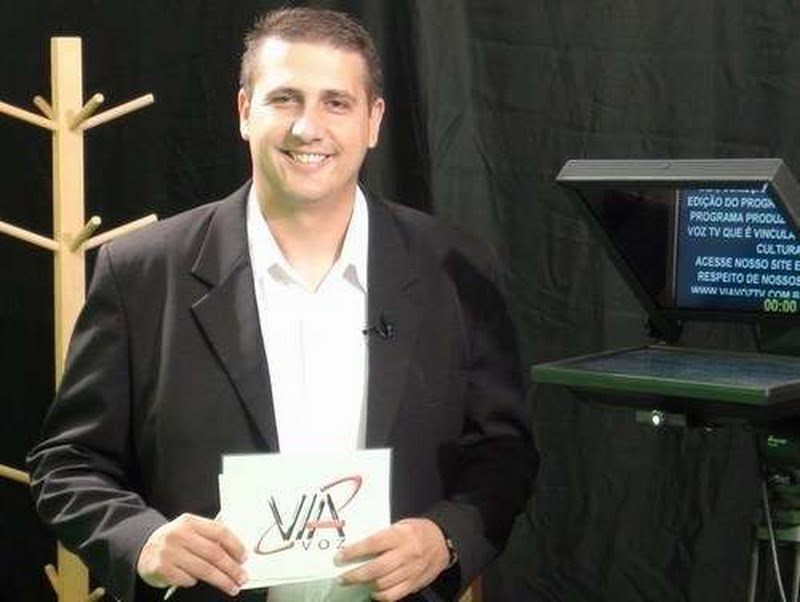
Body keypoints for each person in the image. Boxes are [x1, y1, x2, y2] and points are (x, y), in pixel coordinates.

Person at [27, 7, 536, 602]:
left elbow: (504, 453)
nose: (307, 127)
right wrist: (141, 541)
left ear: (374, 121)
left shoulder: (455, 268)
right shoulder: (141, 272)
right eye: (284, 99)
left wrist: (446, 537)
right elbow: (67, 463)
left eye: (336, 103)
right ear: (245, 111)